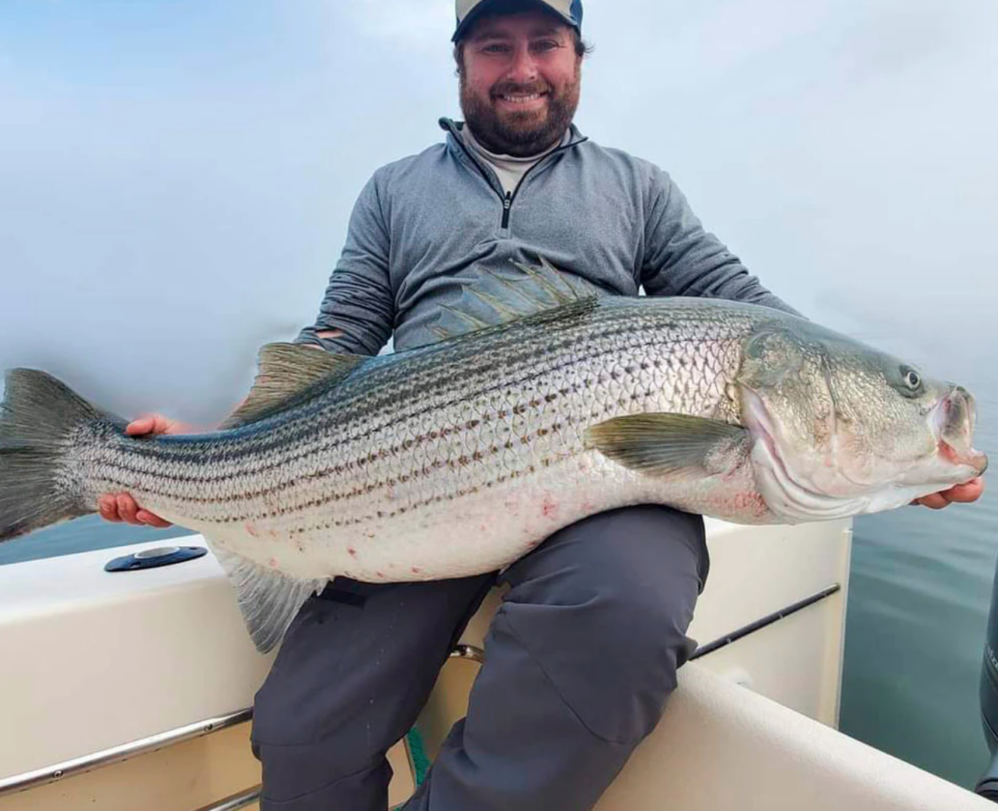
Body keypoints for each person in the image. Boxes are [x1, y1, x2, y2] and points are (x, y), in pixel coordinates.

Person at [99, 1, 985, 809]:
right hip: (410, 474)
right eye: (495, 45)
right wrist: (212, 455)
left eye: (546, 43)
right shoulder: (393, 192)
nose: (522, 65)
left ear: (577, 57)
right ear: (461, 62)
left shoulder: (637, 187)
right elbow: (334, 343)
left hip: (608, 484)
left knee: (626, 618)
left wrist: (890, 434)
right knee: (300, 734)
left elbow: (750, 310)